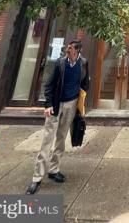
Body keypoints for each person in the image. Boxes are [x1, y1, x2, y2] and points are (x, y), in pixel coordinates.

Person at [26, 40, 89, 195]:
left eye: (70, 48)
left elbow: (85, 83)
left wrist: (80, 104)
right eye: (67, 47)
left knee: (61, 138)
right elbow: (49, 85)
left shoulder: (83, 63)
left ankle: (54, 169)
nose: (67, 50)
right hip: (56, 104)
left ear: (77, 51)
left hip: (71, 104)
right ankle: (37, 178)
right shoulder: (60, 63)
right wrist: (48, 104)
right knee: (47, 139)